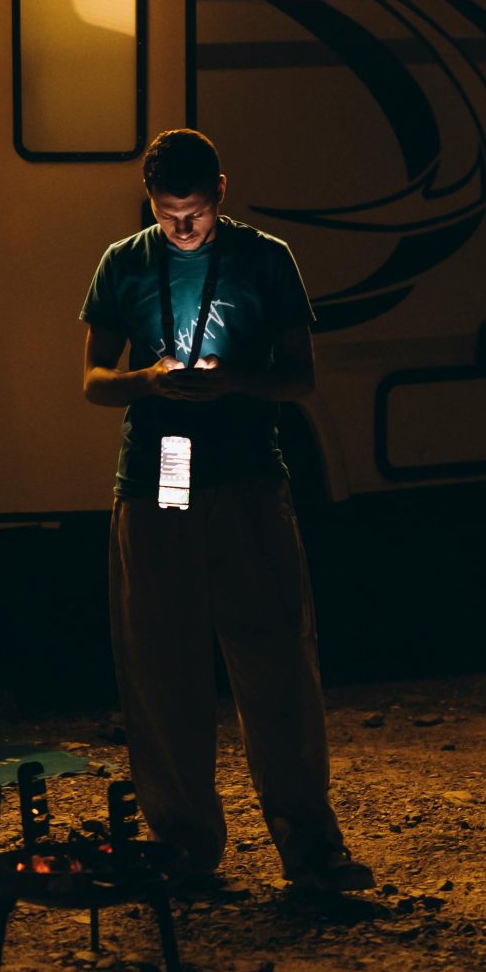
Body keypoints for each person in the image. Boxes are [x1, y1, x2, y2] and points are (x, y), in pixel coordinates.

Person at [79, 128, 372, 893]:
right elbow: (91, 379)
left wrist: (232, 380)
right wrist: (146, 379)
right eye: (170, 212)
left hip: (246, 475)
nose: (183, 227)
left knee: (276, 658)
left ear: (221, 193)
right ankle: (184, 843)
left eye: (197, 213)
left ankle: (310, 845)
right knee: (163, 665)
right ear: (148, 200)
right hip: (158, 477)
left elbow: (301, 377)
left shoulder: (266, 257)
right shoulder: (122, 263)